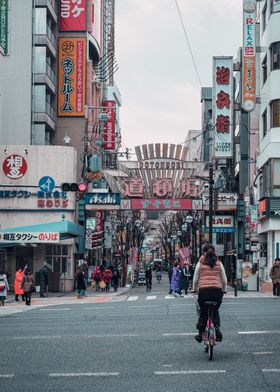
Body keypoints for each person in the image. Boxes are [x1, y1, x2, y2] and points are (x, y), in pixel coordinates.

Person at [192, 244, 227, 343]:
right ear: (214, 252)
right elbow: (224, 279)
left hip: (204, 291)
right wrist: (223, 290)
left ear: (204, 252)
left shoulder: (200, 262)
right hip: (217, 292)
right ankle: (217, 329)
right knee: (215, 311)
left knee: (203, 313)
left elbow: (195, 279)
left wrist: (194, 289)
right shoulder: (219, 263)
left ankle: (200, 334)